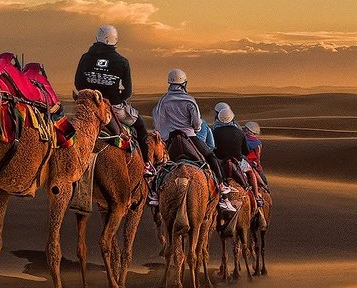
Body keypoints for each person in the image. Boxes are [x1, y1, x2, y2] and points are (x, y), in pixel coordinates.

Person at [151, 69, 234, 211]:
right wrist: (193, 130)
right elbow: (197, 123)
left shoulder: (163, 101)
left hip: (169, 138)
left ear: (169, 83)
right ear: (185, 83)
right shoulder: (189, 100)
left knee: (157, 163)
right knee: (210, 156)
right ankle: (222, 186)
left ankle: (154, 193)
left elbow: (158, 121)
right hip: (189, 137)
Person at [73, 25, 148, 145]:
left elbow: (78, 84)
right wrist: (114, 97)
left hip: (88, 105)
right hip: (113, 107)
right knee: (140, 126)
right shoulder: (122, 61)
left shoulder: (85, 57)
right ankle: (147, 163)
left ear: (97, 37)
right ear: (115, 40)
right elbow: (127, 92)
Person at [209, 102, 259, 202]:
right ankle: (257, 197)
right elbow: (246, 151)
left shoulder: (214, 131)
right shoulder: (239, 132)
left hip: (220, 162)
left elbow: (212, 147)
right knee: (251, 172)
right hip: (238, 162)